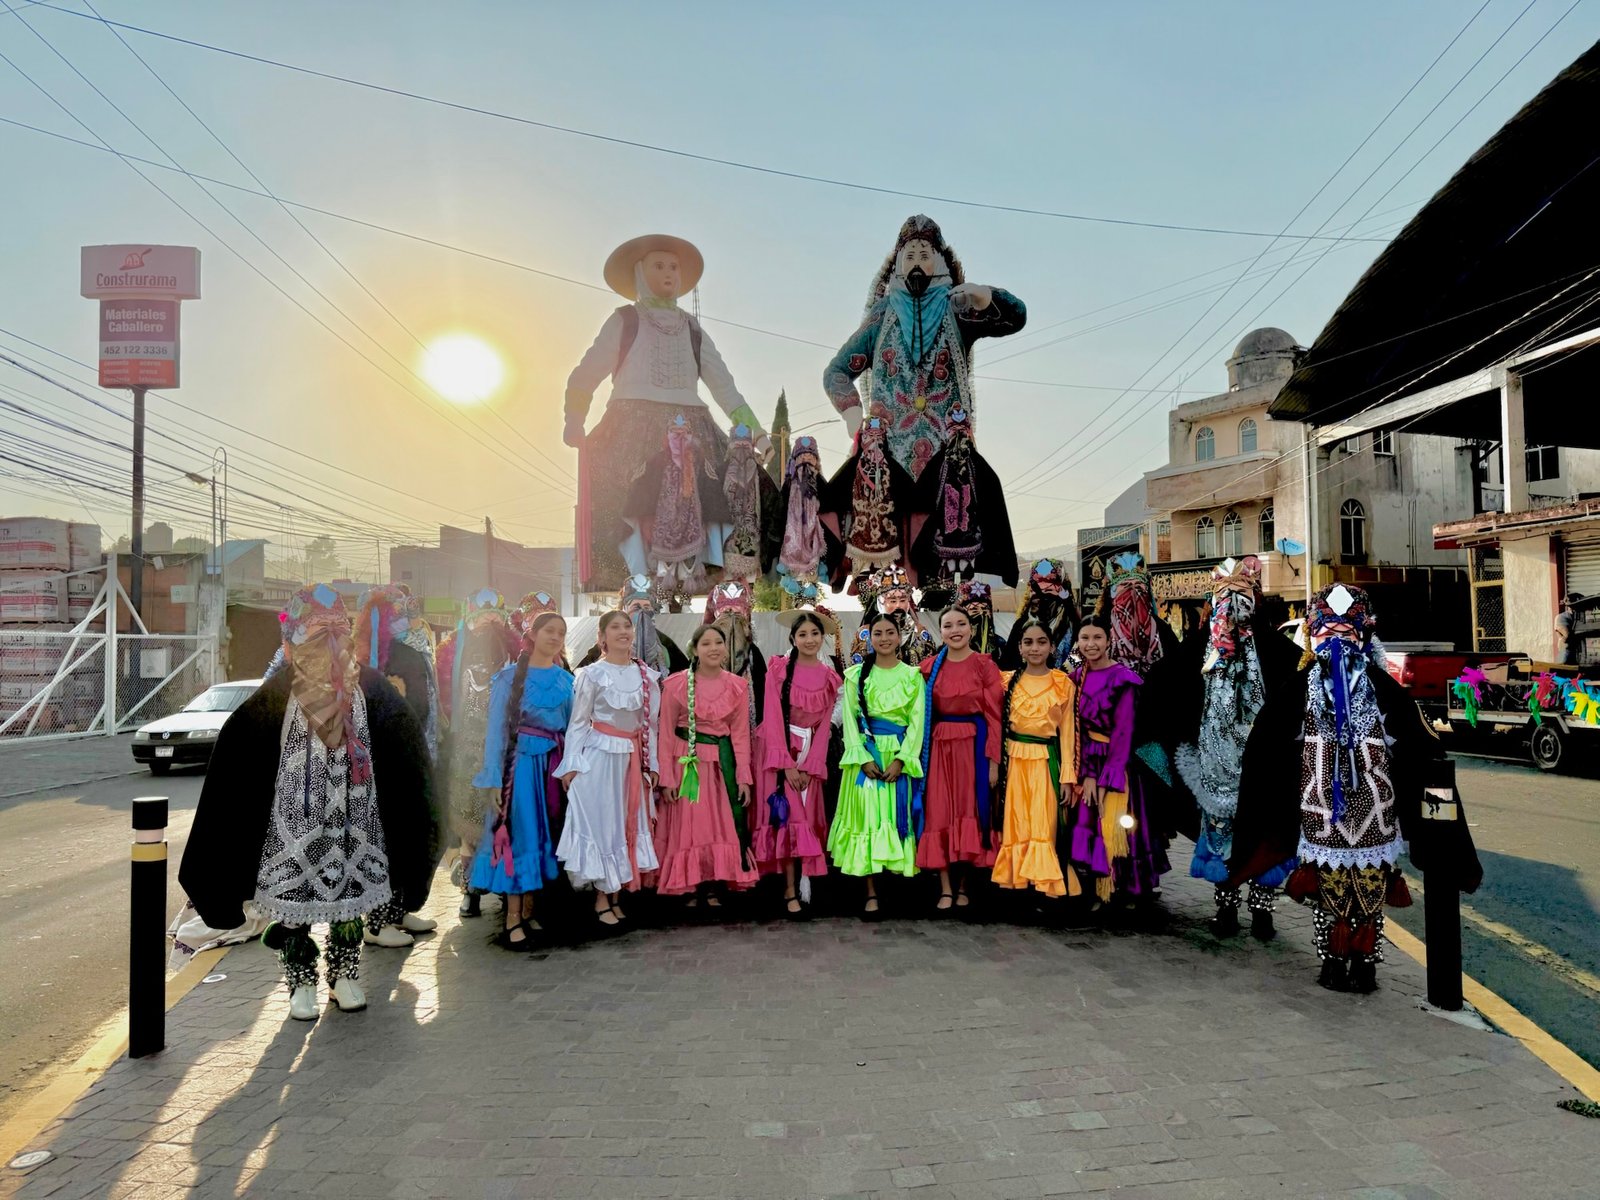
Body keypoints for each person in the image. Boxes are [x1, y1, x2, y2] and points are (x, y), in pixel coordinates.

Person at [179, 585, 435, 1021]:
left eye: (338, 633)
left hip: (357, 819)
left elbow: (406, 747)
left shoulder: (369, 689)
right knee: (294, 905)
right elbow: (237, 763)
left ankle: (344, 974)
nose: (329, 645)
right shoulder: (276, 696)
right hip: (292, 825)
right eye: (317, 635)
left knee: (350, 900)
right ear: (292, 642)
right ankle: (300, 982)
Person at [1231, 585, 1437, 993]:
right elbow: (1265, 745)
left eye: (1347, 631)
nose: (1337, 641)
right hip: (1321, 809)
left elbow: (1418, 743)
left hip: (1376, 810)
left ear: (1363, 635)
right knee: (1329, 891)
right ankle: (1332, 961)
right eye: (1328, 632)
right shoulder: (1298, 689)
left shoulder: (1384, 689)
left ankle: (1366, 964)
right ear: (1312, 635)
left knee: (1371, 893)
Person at [564, 233, 770, 590]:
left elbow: (725, 387)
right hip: (630, 427)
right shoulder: (624, 320)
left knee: (724, 491)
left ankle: (697, 580)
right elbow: (586, 373)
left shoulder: (692, 328)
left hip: (693, 430)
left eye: (673, 266)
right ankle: (636, 583)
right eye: (659, 265)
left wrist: (758, 433)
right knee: (626, 499)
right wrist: (574, 418)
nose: (669, 273)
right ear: (641, 272)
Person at [824, 214, 1026, 481]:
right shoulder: (882, 315)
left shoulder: (957, 308)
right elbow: (836, 372)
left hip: (950, 459)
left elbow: (1016, 317)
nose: (916, 264)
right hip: (888, 459)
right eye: (909, 257)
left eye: (924, 255)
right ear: (898, 264)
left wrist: (984, 296)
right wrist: (851, 410)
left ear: (938, 260)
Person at [1164, 557, 1301, 940]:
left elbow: (1299, 687)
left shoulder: (1277, 650)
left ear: (1256, 598)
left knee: (1263, 828)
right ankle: (1225, 906)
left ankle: (1262, 908)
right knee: (1221, 828)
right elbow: (1168, 686)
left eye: (1242, 594)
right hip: (1215, 757)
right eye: (1226, 595)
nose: (1234, 604)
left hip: (1263, 758)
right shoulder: (1198, 649)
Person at [470, 607, 573, 951]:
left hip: (553, 768)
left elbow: (573, 729)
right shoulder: (509, 678)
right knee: (521, 837)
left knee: (545, 837)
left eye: (561, 632)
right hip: (521, 769)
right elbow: (496, 731)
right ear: (532, 634)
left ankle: (529, 911)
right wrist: (494, 779)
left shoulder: (567, 681)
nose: (555, 637)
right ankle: (512, 918)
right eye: (549, 631)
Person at [556, 611, 661, 932]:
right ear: (602, 636)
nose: (622, 632)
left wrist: (652, 764)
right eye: (614, 627)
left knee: (625, 825)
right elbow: (577, 723)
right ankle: (602, 898)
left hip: (631, 759)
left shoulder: (647, 676)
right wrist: (572, 765)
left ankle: (616, 894)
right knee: (604, 826)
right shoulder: (591, 674)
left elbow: (650, 726)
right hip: (599, 757)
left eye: (627, 626)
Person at [1059, 616, 1168, 911]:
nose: (1090, 644)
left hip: (1118, 765)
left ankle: (1128, 889)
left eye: (1097, 638)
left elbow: (1123, 732)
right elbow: (1073, 730)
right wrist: (1086, 775)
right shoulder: (1074, 679)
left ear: (1109, 640)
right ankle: (1096, 888)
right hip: (1086, 763)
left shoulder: (1123, 679)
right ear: (1077, 642)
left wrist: (1107, 778)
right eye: (1085, 638)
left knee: (1118, 826)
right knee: (1087, 822)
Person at [355, 584, 440, 947]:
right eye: (400, 613)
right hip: (382, 762)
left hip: (414, 753)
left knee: (410, 835)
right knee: (384, 837)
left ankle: (398, 907)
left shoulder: (411, 649)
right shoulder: (368, 656)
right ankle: (376, 920)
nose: (410, 619)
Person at [655, 625, 759, 911]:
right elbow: (665, 733)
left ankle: (714, 882)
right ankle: (690, 883)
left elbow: (740, 736)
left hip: (720, 766)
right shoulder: (677, 684)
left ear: (726, 649)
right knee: (691, 826)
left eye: (718, 643)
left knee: (718, 826)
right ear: (695, 649)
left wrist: (743, 778)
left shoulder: (736, 686)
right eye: (706, 643)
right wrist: (666, 777)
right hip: (687, 765)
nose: (713, 648)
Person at [829, 614, 926, 918]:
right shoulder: (856, 675)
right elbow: (850, 722)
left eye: (890, 633)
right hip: (866, 759)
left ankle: (895, 890)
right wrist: (862, 757)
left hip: (897, 756)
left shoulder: (912, 676)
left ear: (900, 637)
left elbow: (917, 723)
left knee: (896, 821)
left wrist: (901, 759)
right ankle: (871, 893)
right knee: (869, 820)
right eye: (878, 633)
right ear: (869, 638)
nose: (884, 638)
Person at [755, 609, 843, 918]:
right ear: (793, 638)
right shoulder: (779, 669)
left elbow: (825, 728)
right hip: (780, 753)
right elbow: (772, 716)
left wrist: (809, 765)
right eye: (802, 634)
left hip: (809, 755)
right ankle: (789, 890)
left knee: (806, 821)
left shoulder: (830, 677)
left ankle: (808, 888)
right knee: (789, 820)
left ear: (823, 638)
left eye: (815, 634)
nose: (809, 639)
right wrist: (786, 765)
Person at [436, 589, 518, 918]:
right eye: (481, 617)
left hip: (505, 748)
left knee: (502, 817)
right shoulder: (451, 653)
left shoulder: (516, 650)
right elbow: (442, 698)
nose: (488, 622)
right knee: (468, 820)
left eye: (494, 616)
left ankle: (502, 884)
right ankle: (469, 891)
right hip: (466, 749)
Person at [918, 607, 1003, 911]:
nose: (955, 630)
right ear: (940, 631)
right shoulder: (929, 668)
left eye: (961, 624)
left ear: (971, 628)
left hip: (974, 746)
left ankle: (965, 884)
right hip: (940, 748)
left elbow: (995, 717)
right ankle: (944, 886)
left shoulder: (985, 666)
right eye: (948, 625)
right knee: (939, 811)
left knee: (970, 810)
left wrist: (993, 762)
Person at [992, 618, 1076, 902]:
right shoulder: (1006, 681)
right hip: (1014, 761)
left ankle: (1046, 889)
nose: (1035, 648)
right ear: (1020, 647)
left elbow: (1067, 734)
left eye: (1041, 642)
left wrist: (1067, 776)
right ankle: (1018, 885)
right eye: (1028, 642)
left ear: (1052, 647)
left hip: (1045, 760)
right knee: (1017, 822)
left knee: (1044, 823)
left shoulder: (1062, 683)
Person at [1001, 558, 1080, 671]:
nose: (1041, 598)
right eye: (1036, 590)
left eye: (1048, 591)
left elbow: (1081, 655)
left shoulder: (1071, 626)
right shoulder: (1021, 626)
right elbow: (1007, 664)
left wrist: (1063, 672)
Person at [1557, 591, 1583, 665]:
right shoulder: (1562, 617)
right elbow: (1567, 636)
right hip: (1566, 653)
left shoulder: (1580, 617)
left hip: (1579, 652)